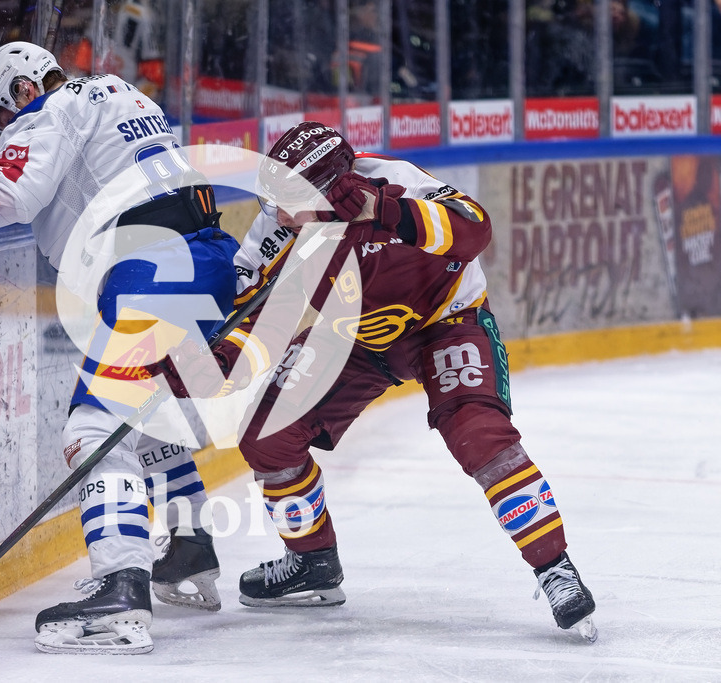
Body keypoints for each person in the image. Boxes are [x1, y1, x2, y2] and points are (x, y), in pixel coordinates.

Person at [152, 121, 598, 642]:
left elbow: (475, 229)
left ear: (332, 191)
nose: (273, 211)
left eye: (287, 197)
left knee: (480, 436)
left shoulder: (394, 181)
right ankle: (313, 562)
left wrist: (386, 212)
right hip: (350, 340)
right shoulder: (275, 230)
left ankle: (555, 569)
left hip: (446, 322)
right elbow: (255, 317)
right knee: (268, 438)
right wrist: (208, 364)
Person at [0, 41, 240, 654]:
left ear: (21, 90)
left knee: (92, 427)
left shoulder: (53, 109)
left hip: (154, 271)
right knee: (142, 419)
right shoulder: (121, 95)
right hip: (206, 262)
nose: (8, 134)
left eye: (3, 121)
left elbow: (10, 194)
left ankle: (121, 589)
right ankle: (187, 550)